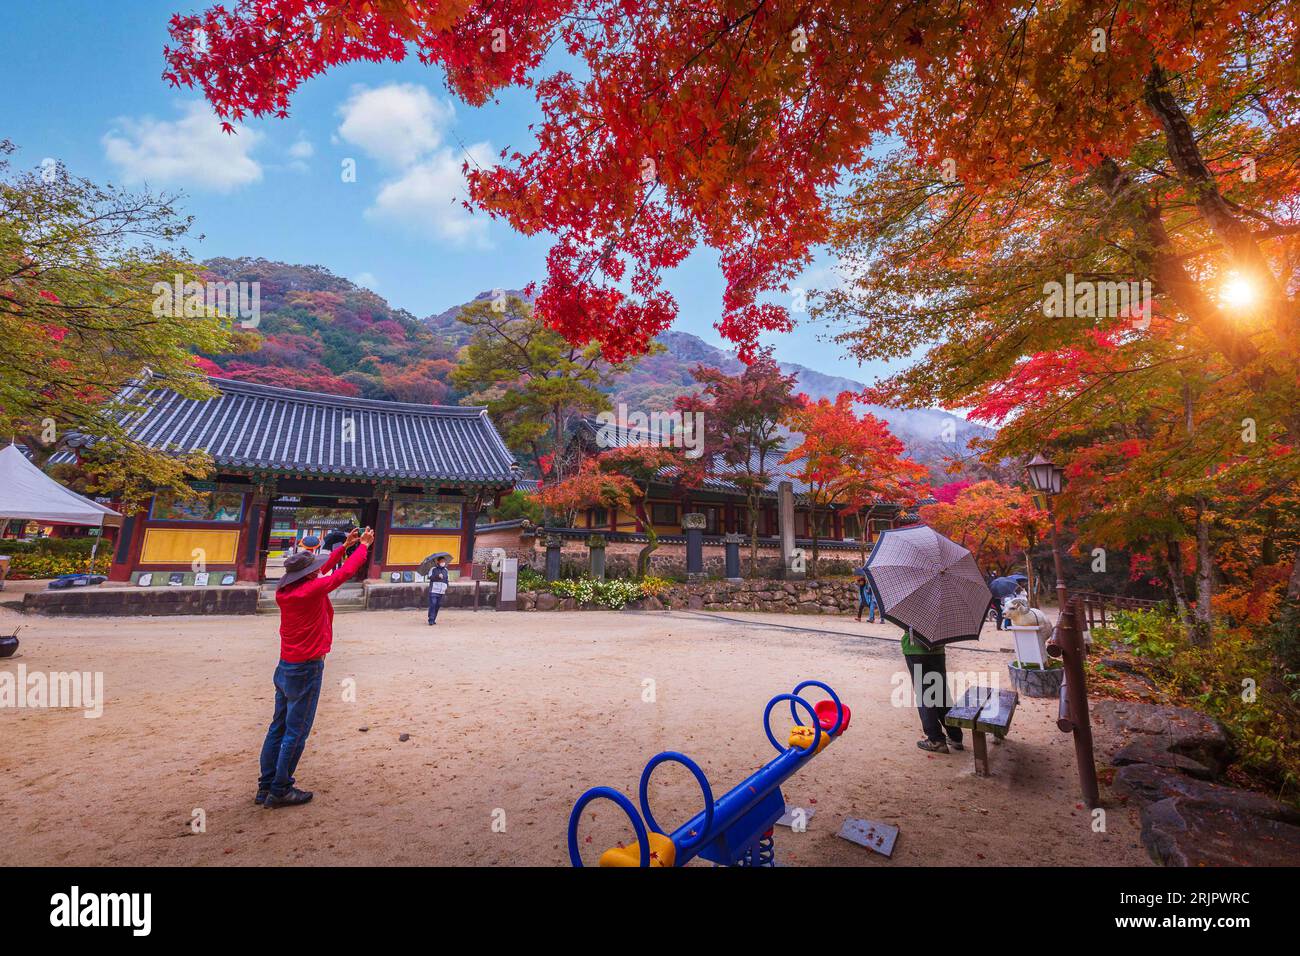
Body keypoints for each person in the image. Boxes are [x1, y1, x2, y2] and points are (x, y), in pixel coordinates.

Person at [258, 526, 374, 809]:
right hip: (307, 668)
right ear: (307, 575)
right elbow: (342, 575)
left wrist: (344, 546)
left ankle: (266, 785)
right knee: (296, 731)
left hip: (285, 666)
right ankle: (282, 788)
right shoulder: (310, 591)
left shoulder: (288, 589)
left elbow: (324, 570)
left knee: (278, 727)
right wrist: (363, 547)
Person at [902, 626, 964, 753]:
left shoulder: (912, 606)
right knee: (942, 695)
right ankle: (955, 737)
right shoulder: (944, 606)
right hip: (937, 649)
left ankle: (935, 740)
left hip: (916, 650)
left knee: (925, 696)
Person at [427, 555, 449, 625]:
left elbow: (447, 579)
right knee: (433, 604)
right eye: (442, 561)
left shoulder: (446, 570)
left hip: (441, 591)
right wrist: (437, 576)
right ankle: (431, 619)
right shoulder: (433, 569)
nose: (443, 563)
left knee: (437, 605)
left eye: (444, 562)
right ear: (438, 562)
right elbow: (430, 577)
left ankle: (433, 619)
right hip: (433, 590)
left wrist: (446, 587)